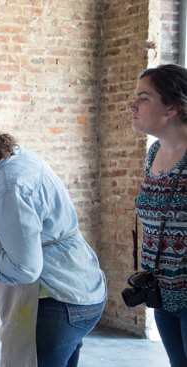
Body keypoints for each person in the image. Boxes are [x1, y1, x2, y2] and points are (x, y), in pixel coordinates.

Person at [0, 111, 107, 367]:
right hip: (82, 287)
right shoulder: (11, 155)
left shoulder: (9, 188)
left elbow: (24, 268)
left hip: (56, 301)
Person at [129, 63, 187, 367]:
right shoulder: (153, 153)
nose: (132, 106)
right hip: (161, 291)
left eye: (144, 98)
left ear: (172, 108)